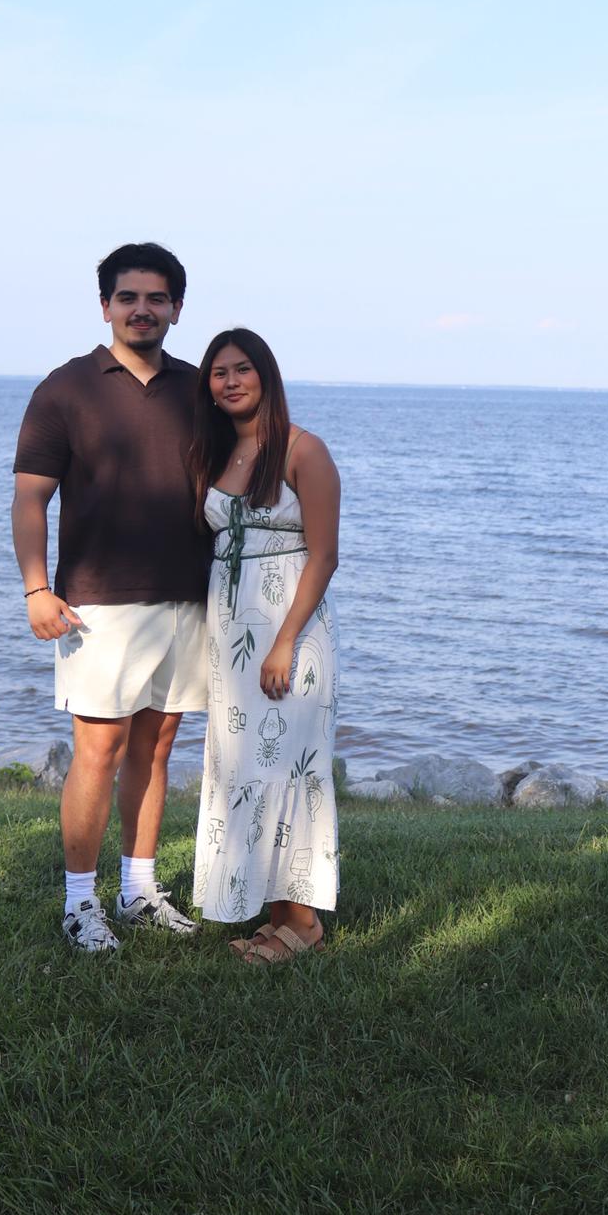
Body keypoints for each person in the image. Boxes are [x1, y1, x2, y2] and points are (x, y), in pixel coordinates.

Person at [11, 243, 210, 952]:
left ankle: (138, 892)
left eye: (157, 298)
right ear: (105, 307)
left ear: (177, 309)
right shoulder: (66, 389)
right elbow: (30, 499)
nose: (141, 310)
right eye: (128, 298)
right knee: (98, 751)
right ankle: (79, 903)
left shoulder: (199, 390)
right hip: (98, 603)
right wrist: (37, 587)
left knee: (155, 751)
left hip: (188, 597)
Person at [190, 328, 341, 962]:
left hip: (290, 633)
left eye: (242, 369)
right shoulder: (217, 454)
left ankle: (302, 924)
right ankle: (276, 915)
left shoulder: (305, 450)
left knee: (287, 768)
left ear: (266, 375)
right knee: (244, 768)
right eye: (219, 372)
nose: (230, 381)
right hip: (232, 638)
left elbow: (324, 556)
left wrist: (283, 643)